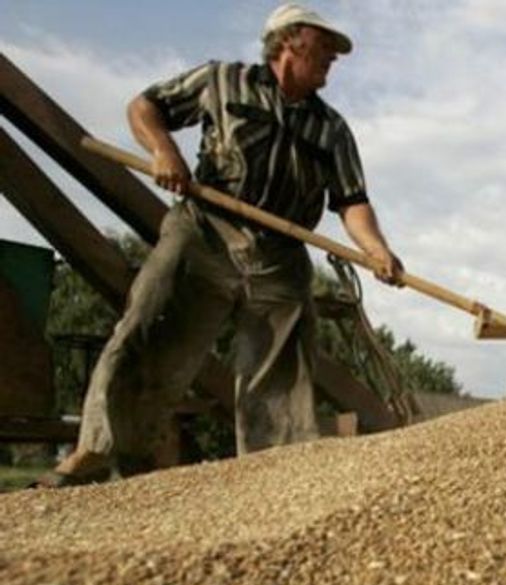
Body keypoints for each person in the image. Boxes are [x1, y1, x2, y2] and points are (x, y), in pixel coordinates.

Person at [35, 4, 403, 487]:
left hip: (279, 252)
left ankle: (274, 476)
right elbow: (144, 106)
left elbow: (352, 201)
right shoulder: (222, 81)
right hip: (205, 230)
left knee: (281, 369)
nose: (334, 56)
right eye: (325, 45)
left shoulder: (331, 129)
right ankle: (99, 451)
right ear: (289, 41)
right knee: (150, 330)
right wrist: (164, 151)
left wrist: (376, 248)